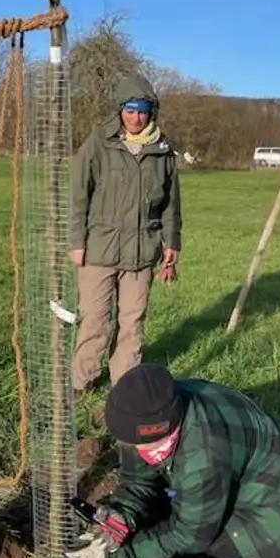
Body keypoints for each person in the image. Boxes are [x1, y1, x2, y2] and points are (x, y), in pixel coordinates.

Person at [63, 364, 280, 558]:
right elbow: (138, 482)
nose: (137, 451)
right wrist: (121, 517)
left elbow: (190, 536)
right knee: (155, 530)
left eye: (144, 445)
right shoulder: (149, 414)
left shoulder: (203, 452)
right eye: (131, 444)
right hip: (222, 481)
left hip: (270, 501)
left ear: (166, 427)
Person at [68, 73, 182, 407]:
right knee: (95, 319)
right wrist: (77, 241)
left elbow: (172, 204)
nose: (136, 117)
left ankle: (125, 385)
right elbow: (78, 195)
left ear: (152, 112)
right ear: (120, 110)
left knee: (132, 322)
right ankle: (82, 379)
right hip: (99, 249)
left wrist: (171, 242)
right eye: (130, 109)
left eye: (143, 110)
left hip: (142, 251)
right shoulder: (98, 143)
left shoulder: (162, 151)